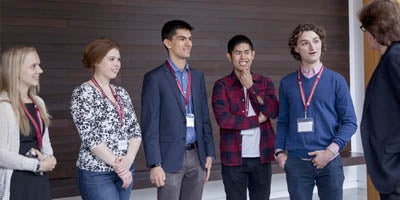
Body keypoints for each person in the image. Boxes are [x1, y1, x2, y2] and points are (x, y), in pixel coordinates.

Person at [274, 24, 357, 200]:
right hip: (296, 164)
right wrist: (279, 152)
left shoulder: (336, 81)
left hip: (329, 162)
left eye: (316, 41)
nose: (312, 47)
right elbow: (283, 121)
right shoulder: (287, 83)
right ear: (296, 48)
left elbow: (350, 122)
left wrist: (329, 152)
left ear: (321, 44)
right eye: (305, 43)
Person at [141, 19, 216, 200]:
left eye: (190, 38)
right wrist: (154, 164)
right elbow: (150, 124)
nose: (188, 43)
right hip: (169, 159)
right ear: (167, 43)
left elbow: (204, 118)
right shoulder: (155, 78)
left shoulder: (197, 77)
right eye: (182, 39)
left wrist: (209, 153)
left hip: (197, 156)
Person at [70, 38, 142, 200]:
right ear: (96, 61)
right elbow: (90, 137)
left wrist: (128, 161)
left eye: (118, 59)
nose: (117, 64)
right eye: (111, 59)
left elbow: (135, 131)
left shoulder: (121, 93)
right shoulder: (83, 93)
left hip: (125, 169)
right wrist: (119, 166)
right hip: (97, 173)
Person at [211, 35, 278, 200]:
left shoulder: (265, 83)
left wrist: (251, 87)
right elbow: (224, 120)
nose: (243, 57)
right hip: (233, 159)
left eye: (246, 52)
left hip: (261, 157)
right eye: (238, 53)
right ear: (229, 56)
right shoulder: (222, 85)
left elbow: (273, 111)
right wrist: (257, 120)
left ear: (253, 54)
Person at [0, 46, 57, 200]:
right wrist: (36, 165)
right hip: (17, 184)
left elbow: (44, 142)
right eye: (33, 66)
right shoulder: (3, 106)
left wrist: (49, 158)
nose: (40, 70)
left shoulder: (39, 102)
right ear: (16, 70)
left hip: (39, 181)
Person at [358, 1, 400, 199]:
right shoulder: (388, 58)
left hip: (395, 170)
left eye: (364, 28)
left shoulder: (395, 57)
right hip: (389, 170)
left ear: (376, 28)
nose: (364, 34)